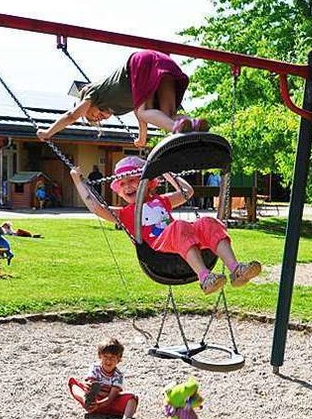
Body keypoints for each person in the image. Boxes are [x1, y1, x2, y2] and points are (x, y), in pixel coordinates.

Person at [70, 155, 261, 295]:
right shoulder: (125, 214)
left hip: (183, 242)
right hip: (158, 253)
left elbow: (187, 191)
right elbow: (95, 207)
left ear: (149, 183)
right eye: (122, 184)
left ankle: (236, 269)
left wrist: (165, 172)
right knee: (178, 226)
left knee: (208, 222)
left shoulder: (162, 200)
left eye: (133, 181)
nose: (127, 187)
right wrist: (78, 182)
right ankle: (205, 278)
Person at [36, 50, 209, 149]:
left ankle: (176, 128)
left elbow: (72, 115)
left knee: (148, 114)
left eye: (92, 115)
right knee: (168, 114)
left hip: (141, 62)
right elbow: (141, 113)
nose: (98, 117)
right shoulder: (118, 107)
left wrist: (48, 132)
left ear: (87, 104)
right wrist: (142, 139)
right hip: (165, 64)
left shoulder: (94, 93)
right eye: (97, 120)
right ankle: (193, 124)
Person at [67, 337, 139, 419]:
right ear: (100, 356)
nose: (108, 361)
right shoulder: (95, 368)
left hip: (109, 403)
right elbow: (90, 382)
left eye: (112, 358)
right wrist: (88, 387)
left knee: (132, 398)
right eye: (106, 357)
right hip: (93, 401)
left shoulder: (118, 375)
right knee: (74, 383)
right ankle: (86, 400)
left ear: (119, 359)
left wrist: (99, 405)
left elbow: (111, 397)